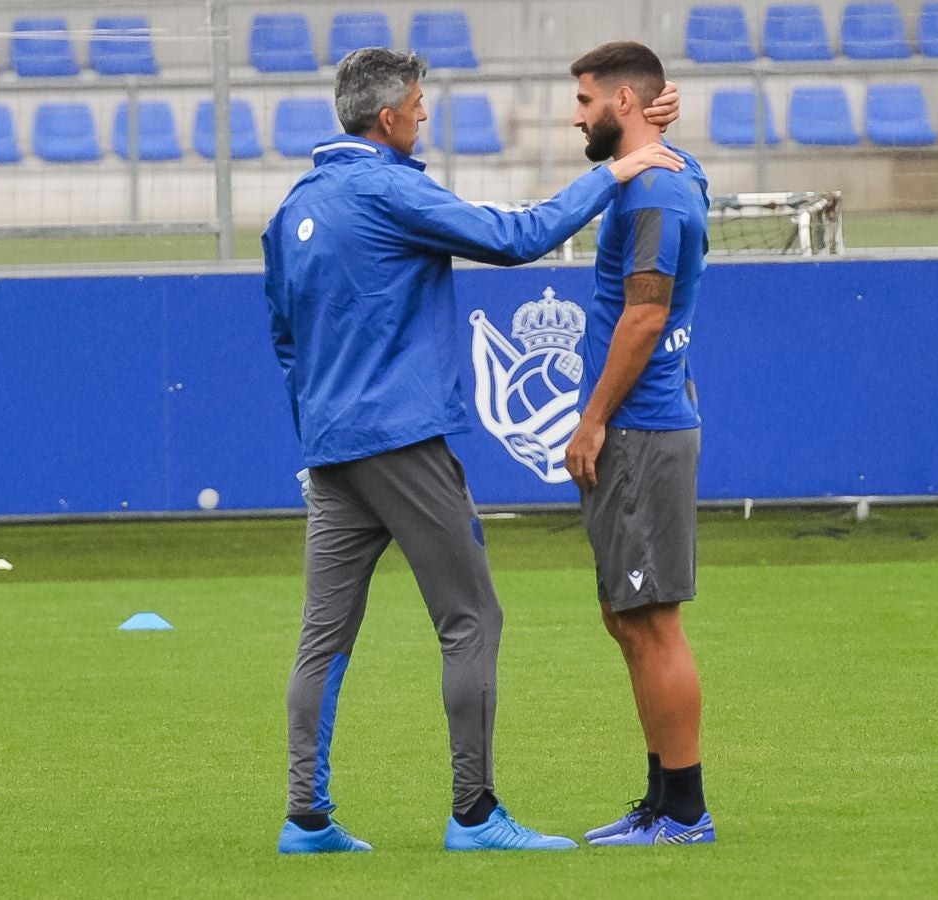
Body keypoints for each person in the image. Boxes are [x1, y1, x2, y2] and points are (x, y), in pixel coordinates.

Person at [262, 47, 683, 855]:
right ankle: (474, 814)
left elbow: (285, 341)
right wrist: (618, 171)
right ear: (387, 119)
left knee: (324, 637)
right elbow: (515, 237)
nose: (424, 116)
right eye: (419, 105)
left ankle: (305, 820)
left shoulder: (293, 209)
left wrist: (322, 427)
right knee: (471, 619)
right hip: (402, 440)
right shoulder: (387, 187)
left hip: (331, 449)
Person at [562, 42, 714, 847]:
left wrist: (592, 419)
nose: (575, 115)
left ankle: (684, 812)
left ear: (623, 101)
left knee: (651, 621)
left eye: (586, 100)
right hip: (642, 424)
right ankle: (660, 802)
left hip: (642, 428)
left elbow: (647, 315)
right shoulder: (667, 169)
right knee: (626, 616)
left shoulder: (655, 193)